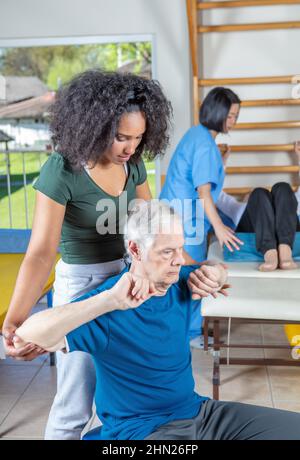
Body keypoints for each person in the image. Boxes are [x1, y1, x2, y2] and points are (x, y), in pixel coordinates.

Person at [13, 201, 300, 441]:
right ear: (136, 250)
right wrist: (108, 301)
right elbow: (28, 334)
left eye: (180, 249)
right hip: (143, 432)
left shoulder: (181, 280)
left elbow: (218, 268)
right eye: (167, 252)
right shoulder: (105, 305)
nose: (178, 260)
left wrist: (216, 274)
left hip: (202, 414)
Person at [2, 69, 172, 440]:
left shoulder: (134, 164)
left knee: (119, 395)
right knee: (74, 403)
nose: (130, 147)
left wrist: (175, 268)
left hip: (126, 280)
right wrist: (16, 319)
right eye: (122, 137)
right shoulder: (62, 169)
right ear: (94, 125)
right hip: (81, 285)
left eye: (139, 137)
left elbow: (152, 227)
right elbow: (41, 253)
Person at [160, 87, 243, 341]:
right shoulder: (206, 145)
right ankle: (191, 333)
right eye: (231, 115)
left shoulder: (198, 136)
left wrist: (222, 161)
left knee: (180, 273)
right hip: (187, 220)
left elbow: (205, 181)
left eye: (236, 116)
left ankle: (186, 329)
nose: (234, 121)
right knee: (193, 274)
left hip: (178, 215)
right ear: (217, 113)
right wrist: (219, 228)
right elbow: (204, 193)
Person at [217, 141, 300, 271]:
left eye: (269, 199)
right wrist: (221, 162)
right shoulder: (239, 207)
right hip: (251, 228)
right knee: (259, 193)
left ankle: (285, 250)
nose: (266, 200)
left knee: (283, 187)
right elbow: (217, 196)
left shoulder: (286, 204)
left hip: (287, 231)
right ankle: (270, 252)